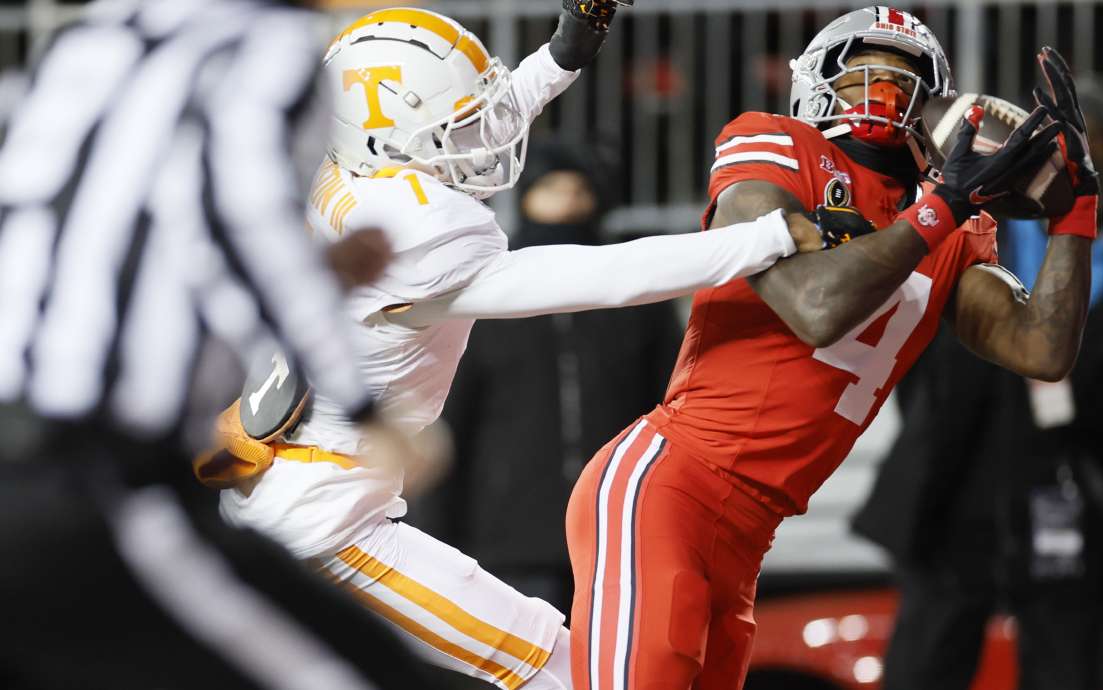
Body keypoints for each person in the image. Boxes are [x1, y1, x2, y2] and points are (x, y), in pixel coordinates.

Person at [204, 5, 825, 690]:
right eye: (454, 126)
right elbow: (603, 276)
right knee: (558, 667)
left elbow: (465, 122)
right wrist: (758, 239)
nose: (477, 136)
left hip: (291, 489)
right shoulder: (415, 232)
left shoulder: (343, 174)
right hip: (329, 523)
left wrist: (560, 57)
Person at [564, 8, 1101, 690]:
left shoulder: (956, 227)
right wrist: (941, 205)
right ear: (818, 84)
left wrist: (1074, 215)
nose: (882, 95)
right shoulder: (774, 145)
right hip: (671, 485)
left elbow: (1043, 349)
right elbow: (814, 307)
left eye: (904, 82)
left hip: (752, 529)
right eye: (861, 79)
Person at [0, 1, 437, 688]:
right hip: (93, 481)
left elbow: (101, 231)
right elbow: (240, 214)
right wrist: (362, 408)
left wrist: (315, 269)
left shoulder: (88, 37)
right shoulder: (267, 44)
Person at [852, 77, 1103, 690]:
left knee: (1064, 666)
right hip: (963, 476)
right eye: (1052, 142)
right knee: (925, 661)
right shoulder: (980, 209)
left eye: (1084, 142)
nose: (1063, 156)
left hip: (1070, 486)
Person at [425, 139, 684, 614]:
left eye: (578, 191)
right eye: (551, 190)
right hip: (508, 537)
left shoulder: (633, 294)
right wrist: (438, 534)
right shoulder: (488, 295)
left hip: (618, 527)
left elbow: (671, 405)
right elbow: (450, 416)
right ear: (525, 199)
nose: (565, 204)